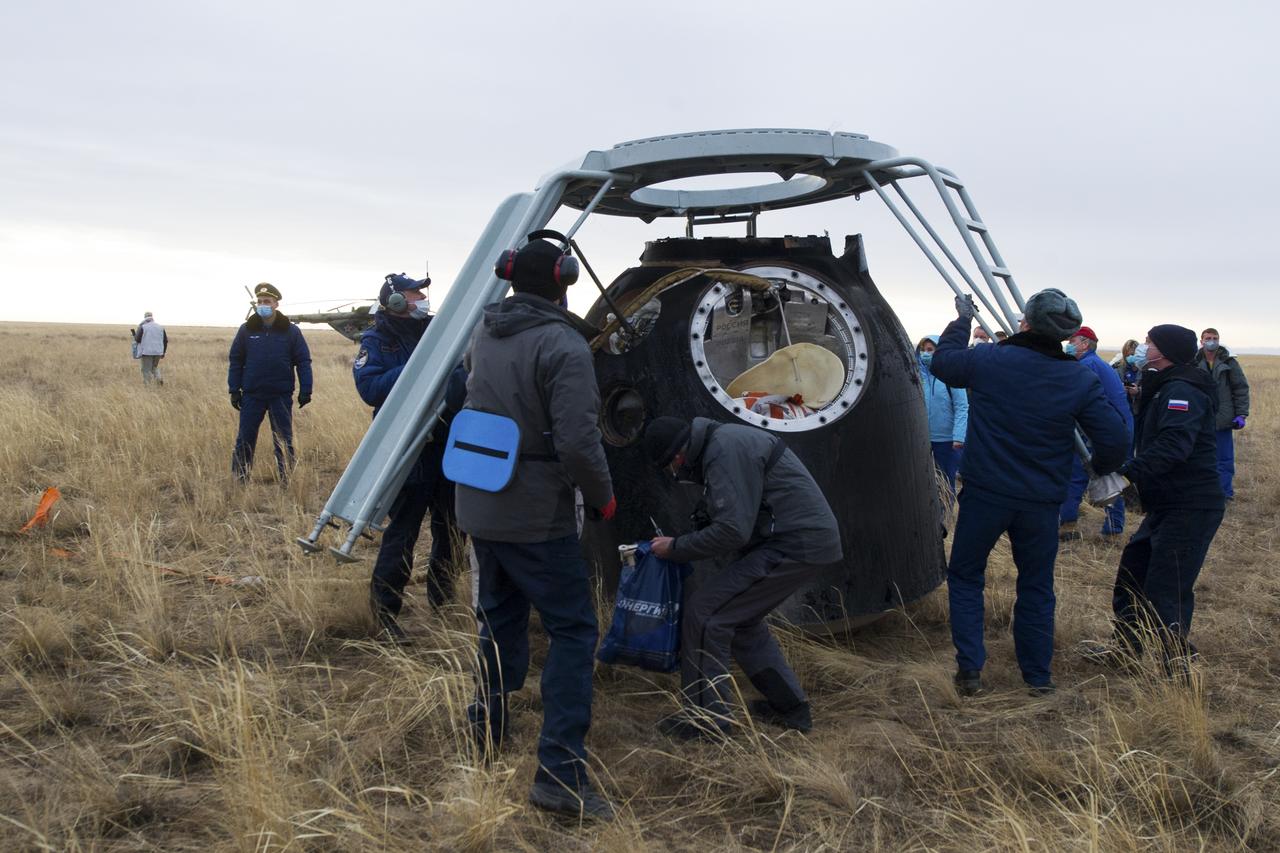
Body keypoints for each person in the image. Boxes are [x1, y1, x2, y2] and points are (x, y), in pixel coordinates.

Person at [454, 236, 617, 820]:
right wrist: (603, 497)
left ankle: (485, 732)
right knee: (573, 632)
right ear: (564, 280)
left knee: (499, 620)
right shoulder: (562, 344)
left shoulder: (484, 331)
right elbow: (577, 441)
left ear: (509, 276)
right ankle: (560, 776)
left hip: (479, 503)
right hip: (535, 514)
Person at [930, 289, 1129, 696]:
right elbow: (1115, 438)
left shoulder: (991, 359)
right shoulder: (1077, 377)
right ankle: (1038, 678)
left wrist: (963, 320)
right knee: (1036, 585)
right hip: (1041, 500)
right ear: (1067, 334)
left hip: (985, 493)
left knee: (966, 576)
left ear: (1026, 322)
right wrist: (1100, 468)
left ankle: (970, 671)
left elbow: (943, 362)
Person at [643, 415, 842, 738]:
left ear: (678, 455)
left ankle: (708, 722)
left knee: (706, 615)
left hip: (794, 543)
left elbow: (733, 530)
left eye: (670, 466)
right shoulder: (722, 443)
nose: (674, 473)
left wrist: (676, 547)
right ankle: (790, 708)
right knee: (740, 621)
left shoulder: (724, 450)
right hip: (796, 540)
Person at [1082, 325, 1225, 673]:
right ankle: (1126, 651)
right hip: (1168, 503)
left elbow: (1174, 445)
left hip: (1191, 504)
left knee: (1166, 587)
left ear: (1166, 351)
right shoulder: (1164, 385)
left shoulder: (1182, 390)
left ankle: (1177, 669)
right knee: (1133, 574)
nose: (1143, 347)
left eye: (1150, 343)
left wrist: (1127, 474)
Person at [354, 273, 461, 642]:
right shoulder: (376, 340)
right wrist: (419, 368)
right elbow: (370, 388)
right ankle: (385, 615)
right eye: (415, 294)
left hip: (445, 442)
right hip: (408, 448)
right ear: (396, 301)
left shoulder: (439, 331)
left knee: (452, 530)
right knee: (403, 532)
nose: (422, 300)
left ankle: (444, 604)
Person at [227, 283, 312, 483]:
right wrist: (234, 389)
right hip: (252, 394)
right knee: (245, 439)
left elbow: (303, 361)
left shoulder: (291, 331)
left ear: (276, 304)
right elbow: (236, 360)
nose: (263, 305)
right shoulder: (246, 330)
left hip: (280, 394)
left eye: (267, 301)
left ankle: (287, 480)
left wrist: (306, 389)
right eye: (260, 302)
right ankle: (240, 479)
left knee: (283, 439)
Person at [1058, 326, 1133, 539]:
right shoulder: (1096, 363)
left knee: (1080, 474)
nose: (1069, 345)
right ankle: (1113, 529)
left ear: (1085, 344)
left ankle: (1068, 525)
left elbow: (1076, 397)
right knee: (1108, 475)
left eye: (1072, 341)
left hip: (1097, 431)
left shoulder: (1087, 365)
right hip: (1114, 429)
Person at [1193, 328, 1250, 500]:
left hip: (1223, 419)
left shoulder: (1229, 362)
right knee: (1200, 458)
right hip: (1200, 418)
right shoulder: (1193, 362)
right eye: (1208, 338)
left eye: (1214, 338)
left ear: (1219, 340)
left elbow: (1240, 388)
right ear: (1201, 341)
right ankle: (1203, 493)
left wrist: (1241, 414)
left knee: (1224, 459)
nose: (1211, 341)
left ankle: (1224, 494)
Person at [916, 335, 968, 496]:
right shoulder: (917, 376)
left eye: (930, 350)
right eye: (923, 350)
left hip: (947, 441)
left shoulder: (951, 376)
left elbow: (962, 407)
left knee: (945, 482)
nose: (925, 353)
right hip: (923, 439)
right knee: (924, 481)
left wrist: (958, 436)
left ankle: (946, 510)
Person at [133, 311, 168, 385]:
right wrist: (163, 352)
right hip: (158, 352)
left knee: (146, 369)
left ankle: (147, 386)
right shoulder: (160, 327)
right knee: (154, 367)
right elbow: (165, 341)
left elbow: (137, 339)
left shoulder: (143, 327)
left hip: (146, 352)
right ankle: (159, 378)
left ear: (145, 318)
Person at [1112, 339, 1142, 416]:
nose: (1130, 357)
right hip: (1122, 410)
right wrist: (1120, 389)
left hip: (1140, 410)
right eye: (1128, 355)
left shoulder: (1144, 368)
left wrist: (1138, 391)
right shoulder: (1117, 368)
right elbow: (1110, 387)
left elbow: (1150, 388)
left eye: (1133, 354)